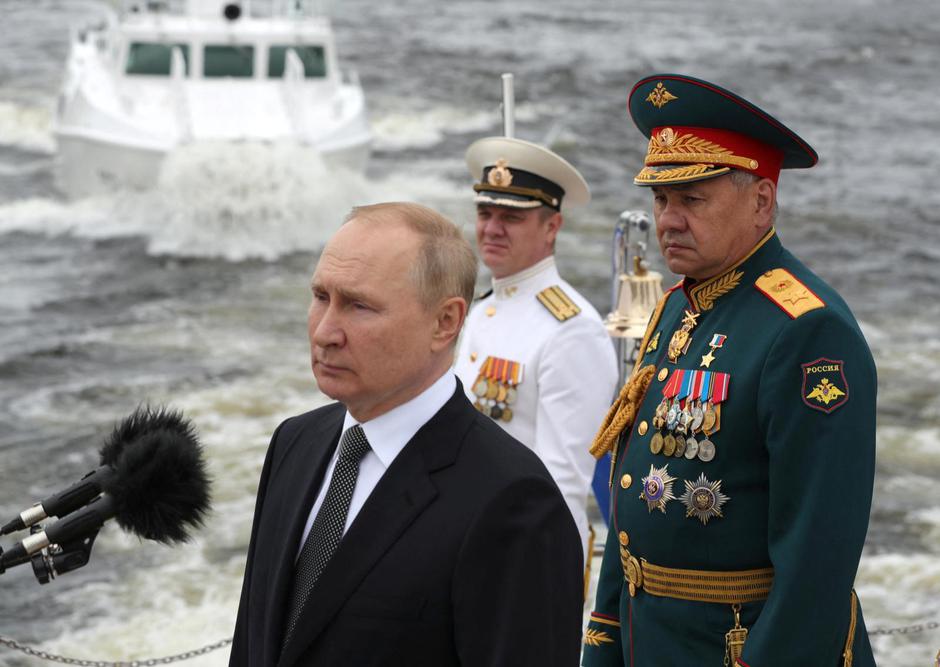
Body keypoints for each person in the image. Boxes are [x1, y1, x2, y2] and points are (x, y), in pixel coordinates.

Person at [582, 74, 877, 666]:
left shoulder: (805, 332)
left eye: (693, 200)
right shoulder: (673, 308)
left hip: (739, 647)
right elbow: (632, 492)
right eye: (661, 200)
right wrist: (605, 641)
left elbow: (817, 559)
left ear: (762, 201)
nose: (667, 220)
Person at [230, 202, 584, 667]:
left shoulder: (511, 500)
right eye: (321, 297)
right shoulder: (294, 444)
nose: (325, 332)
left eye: (358, 305)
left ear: (445, 323)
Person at [454, 137, 619, 559]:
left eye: (510, 217)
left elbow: (562, 482)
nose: (491, 228)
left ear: (552, 227)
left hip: (520, 552)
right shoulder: (481, 309)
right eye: (484, 212)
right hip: (462, 536)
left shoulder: (571, 329)